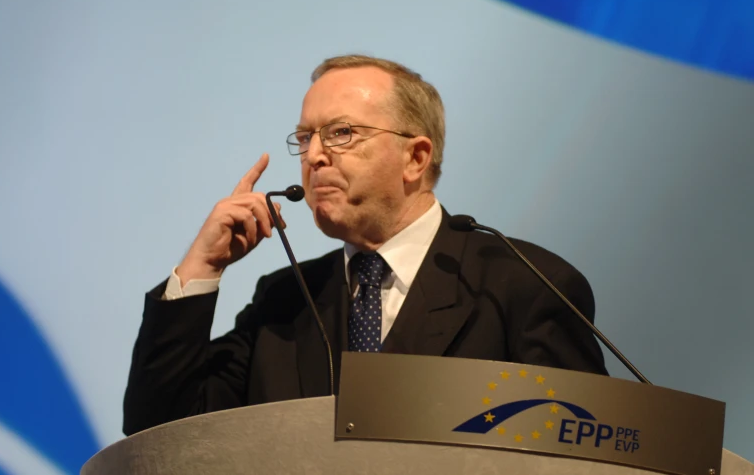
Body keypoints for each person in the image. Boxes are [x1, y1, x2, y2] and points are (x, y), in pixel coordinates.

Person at [122, 55, 607, 436]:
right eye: (304, 137)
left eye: (341, 133)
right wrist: (200, 270)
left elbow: (585, 451)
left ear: (415, 157)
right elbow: (161, 431)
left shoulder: (522, 286)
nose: (313, 156)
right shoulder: (284, 300)